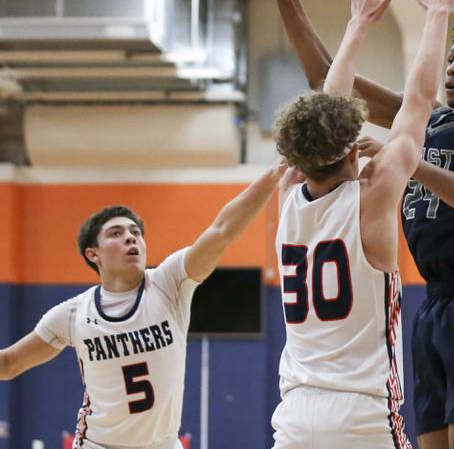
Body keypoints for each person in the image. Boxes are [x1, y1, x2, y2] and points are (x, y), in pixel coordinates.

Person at [261, 0, 454, 449]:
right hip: (432, 302)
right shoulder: (431, 123)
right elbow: (329, 86)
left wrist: (412, 164)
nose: (452, 68)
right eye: (450, 58)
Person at [0, 160, 288, 449]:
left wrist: (274, 174)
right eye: (116, 233)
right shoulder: (72, 314)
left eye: (135, 232)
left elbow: (222, 230)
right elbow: (9, 364)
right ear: (93, 254)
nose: (130, 237)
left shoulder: (169, 282)